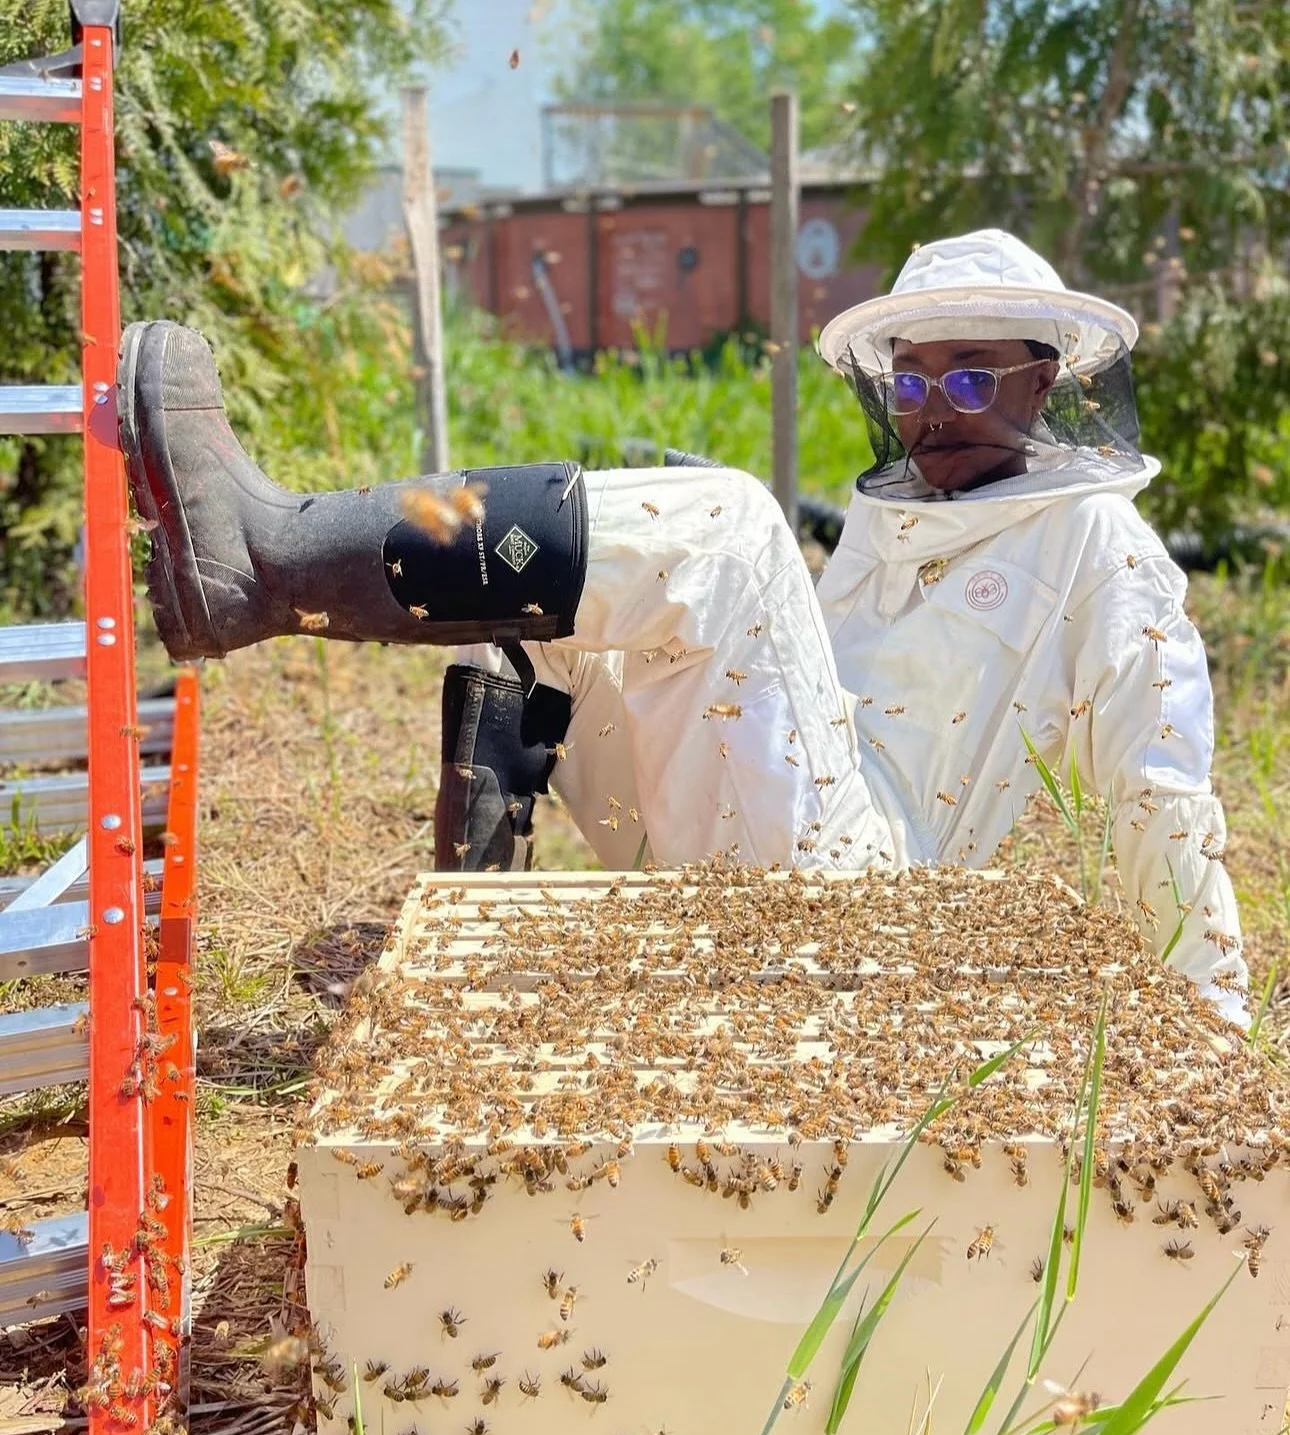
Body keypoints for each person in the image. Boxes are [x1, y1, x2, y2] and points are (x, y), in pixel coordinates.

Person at [115, 229, 1248, 1024]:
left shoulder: (1099, 542)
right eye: (911, 386)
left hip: (874, 916)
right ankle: (462, 952)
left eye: (968, 383)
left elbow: (1164, 793)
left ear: (1042, 383)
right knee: (533, 608)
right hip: (754, 864)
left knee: (733, 525)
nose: (931, 415)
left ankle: (266, 556)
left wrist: (1214, 1036)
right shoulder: (893, 519)